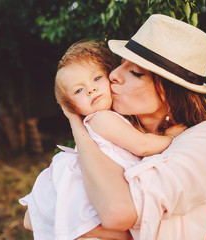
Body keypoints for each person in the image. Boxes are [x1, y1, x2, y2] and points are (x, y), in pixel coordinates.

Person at [63, 14, 206, 240]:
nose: (113, 75)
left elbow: (114, 213)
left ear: (170, 92)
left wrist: (78, 127)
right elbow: (34, 214)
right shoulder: (116, 132)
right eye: (121, 64)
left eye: (135, 73)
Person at [19, 40, 182, 240]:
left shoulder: (114, 119)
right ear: (73, 108)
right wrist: (171, 138)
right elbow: (143, 145)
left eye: (96, 78)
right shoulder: (102, 119)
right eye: (79, 90)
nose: (90, 90)